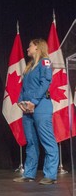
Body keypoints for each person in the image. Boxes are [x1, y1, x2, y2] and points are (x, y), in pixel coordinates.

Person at [13, 38, 59, 185]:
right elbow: (24, 87)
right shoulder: (30, 66)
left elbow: (45, 83)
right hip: (27, 108)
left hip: (41, 106)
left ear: (38, 48)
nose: (27, 49)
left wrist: (34, 102)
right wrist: (21, 102)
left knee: (47, 140)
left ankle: (50, 175)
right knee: (31, 142)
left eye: (30, 46)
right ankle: (29, 174)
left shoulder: (45, 62)